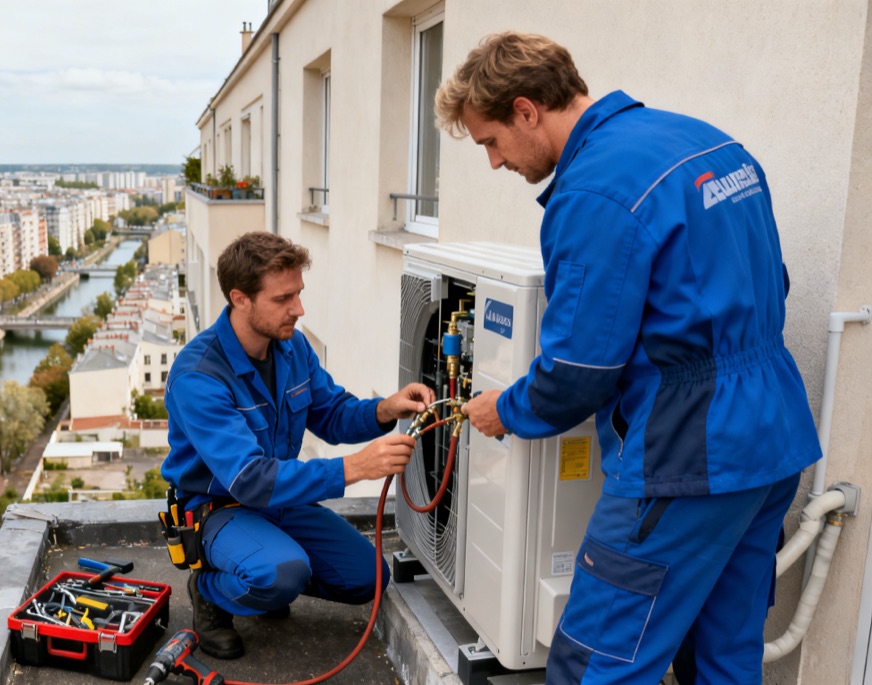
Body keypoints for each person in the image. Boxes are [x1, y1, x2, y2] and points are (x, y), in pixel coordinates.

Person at [436, 32, 821, 684]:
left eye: (491, 142)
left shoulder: (592, 193)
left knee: (599, 661)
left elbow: (579, 372)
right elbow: (771, 284)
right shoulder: (709, 143)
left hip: (685, 458)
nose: (495, 163)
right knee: (725, 654)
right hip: (772, 439)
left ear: (527, 109)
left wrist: (506, 407)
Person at [161, 231, 434, 659]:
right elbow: (249, 480)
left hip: (281, 499)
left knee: (369, 577)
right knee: (279, 574)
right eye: (283, 299)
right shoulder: (199, 377)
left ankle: (268, 575)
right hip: (219, 509)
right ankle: (212, 592)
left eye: (299, 294)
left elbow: (330, 413)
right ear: (240, 298)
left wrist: (386, 408)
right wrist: (354, 468)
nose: (299, 309)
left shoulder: (291, 348)